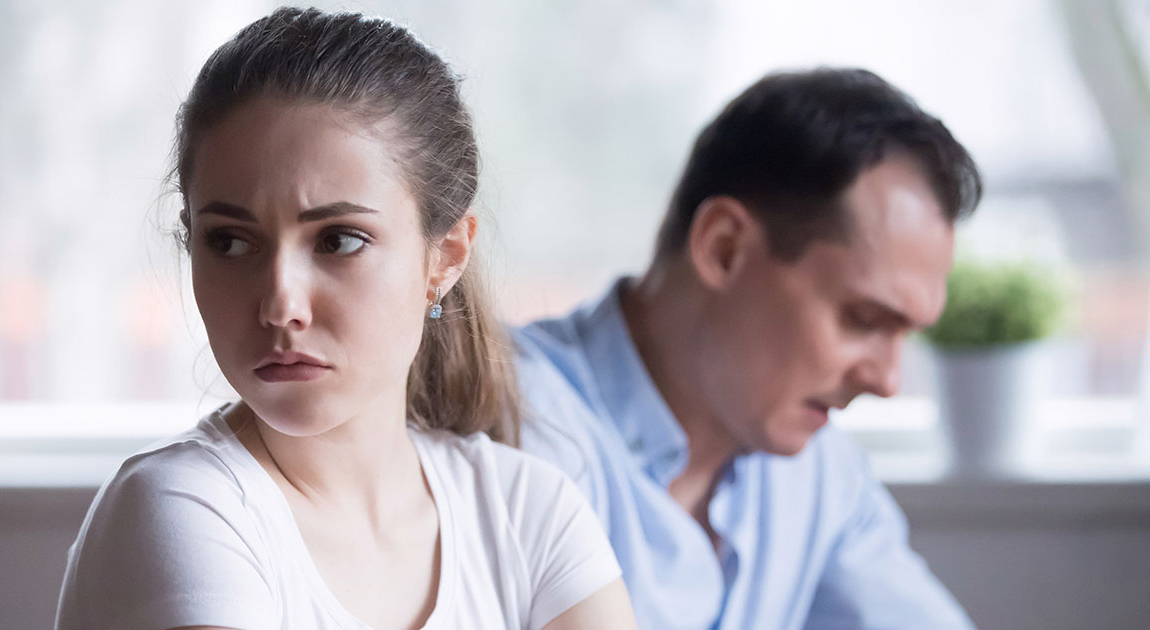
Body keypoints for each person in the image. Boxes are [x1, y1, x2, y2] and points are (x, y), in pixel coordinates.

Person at [55, 8, 635, 630]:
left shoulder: (530, 515)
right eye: (230, 242)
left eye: (338, 241)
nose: (281, 305)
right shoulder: (184, 509)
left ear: (445, 257)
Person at [513, 68, 983, 629]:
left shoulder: (820, 476)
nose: (887, 382)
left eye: (906, 334)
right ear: (724, 248)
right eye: (861, 319)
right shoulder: (512, 421)